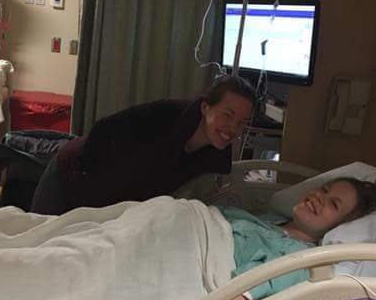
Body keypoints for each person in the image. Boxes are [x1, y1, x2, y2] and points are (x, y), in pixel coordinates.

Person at [92, 176, 376, 300]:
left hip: (167, 265)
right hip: (148, 233)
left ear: (340, 228)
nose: (319, 198)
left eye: (333, 204)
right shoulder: (264, 219)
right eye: (323, 190)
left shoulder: (298, 261)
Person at [30, 75, 256, 215]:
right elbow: (103, 128)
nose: (233, 128)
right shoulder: (166, 116)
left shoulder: (210, 157)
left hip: (103, 208)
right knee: (37, 243)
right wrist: (90, 178)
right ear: (205, 107)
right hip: (69, 175)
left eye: (241, 123)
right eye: (227, 115)